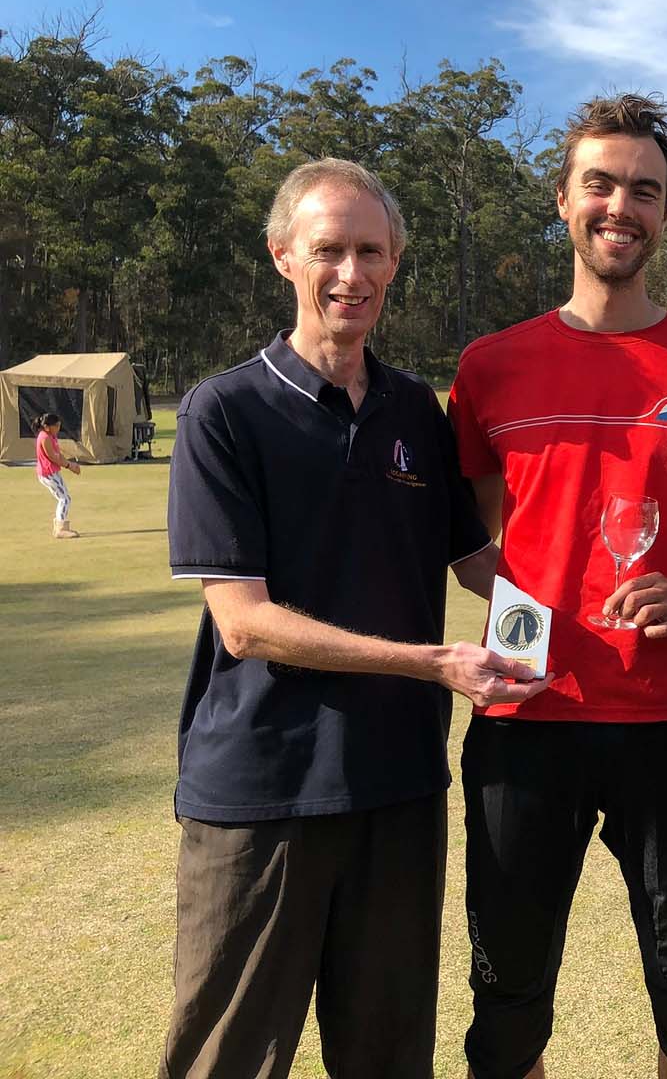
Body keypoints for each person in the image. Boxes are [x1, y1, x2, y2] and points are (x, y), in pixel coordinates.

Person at [160, 159, 547, 1079]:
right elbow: (246, 625)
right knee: (228, 1059)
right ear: (282, 256)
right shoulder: (224, 411)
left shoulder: (415, 408)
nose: (351, 273)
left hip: (398, 786)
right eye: (328, 249)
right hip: (264, 793)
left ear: (396, 262)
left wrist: (578, 611)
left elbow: (475, 560)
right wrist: (433, 665)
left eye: (371, 252)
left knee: (389, 1058)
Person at [448, 93, 667, 1079]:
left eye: (644, 190)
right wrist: (524, 613)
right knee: (507, 1004)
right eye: (600, 184)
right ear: (563, 199)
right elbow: (467, 542)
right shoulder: (490, 366)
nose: (620, 207)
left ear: (665, 211)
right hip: (524, 721)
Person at [33, 411, 81, 538]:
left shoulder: (51, 436)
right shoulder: (45, 438)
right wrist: (70, 466)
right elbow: (54, 457)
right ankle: (61, 529)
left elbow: (58, 455)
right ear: (47, 427)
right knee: (65, 499)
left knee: (64, 497)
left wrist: (70, 464)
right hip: (48, 474)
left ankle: (58, 527)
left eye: (59, 425)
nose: (59, 428)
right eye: (56, 426)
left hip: (53, 472)